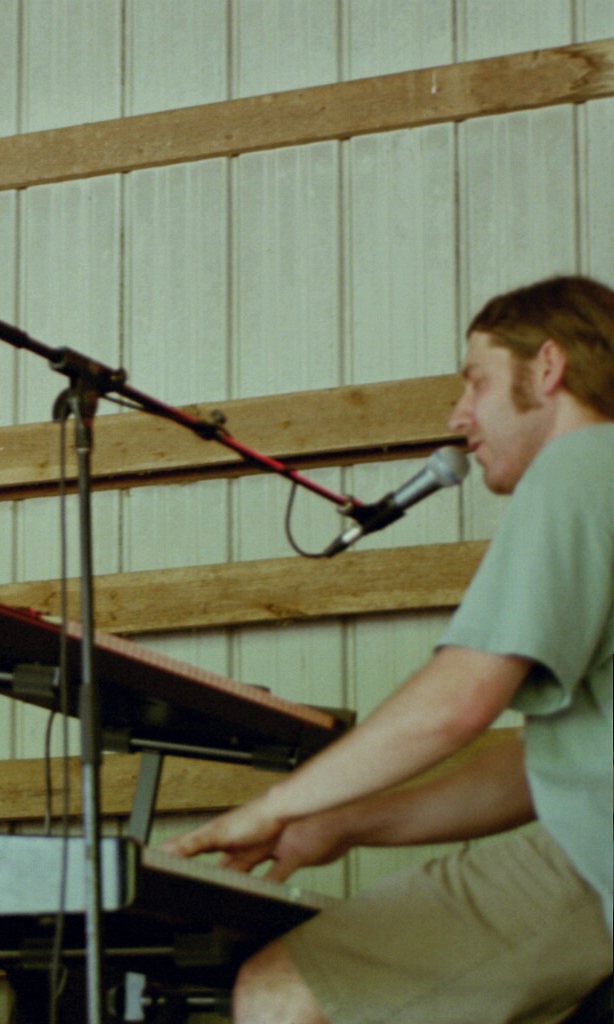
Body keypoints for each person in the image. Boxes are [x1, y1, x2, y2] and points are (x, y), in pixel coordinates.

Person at [164, 274, 614, 1024]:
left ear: (547, 367)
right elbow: (545, 769)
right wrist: (342, 822)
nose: (458, 415)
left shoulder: (576, 466)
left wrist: (271, 806)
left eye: (476, 381)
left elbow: (460, 700)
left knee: (280, 988)